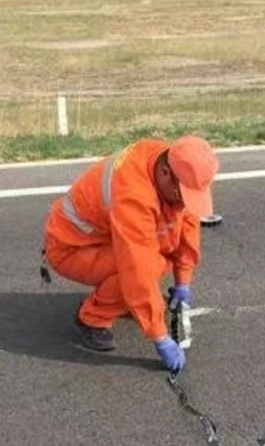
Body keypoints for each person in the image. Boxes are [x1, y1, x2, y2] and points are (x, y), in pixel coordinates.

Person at [41, 135, 220, 372]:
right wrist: (159, 337)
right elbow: (137, 267)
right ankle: (91, 319)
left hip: (104, 238)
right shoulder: (134, 193)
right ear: (165, 173)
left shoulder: (174, 161)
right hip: (72, 247)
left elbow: (186, 220)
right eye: (181, 194)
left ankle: (125, 299)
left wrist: (183, 280)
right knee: (147, 267)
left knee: (159, 260)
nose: (182, 201)